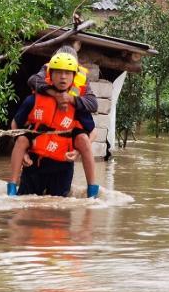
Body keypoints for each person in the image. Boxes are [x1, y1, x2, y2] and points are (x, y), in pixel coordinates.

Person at [7, 49, 100, 198]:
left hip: (61, 164)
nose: (63, 77)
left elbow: (93, 129)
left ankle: (92, 192)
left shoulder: (79, 99)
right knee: (26, 210)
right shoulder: (35, 95)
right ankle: (11, 187)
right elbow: (15, 125)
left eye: (68, 73)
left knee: (58, 216)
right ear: (51, 73)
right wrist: (23, 152)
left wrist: (77, 151)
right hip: (35, 162)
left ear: (74, 75)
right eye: (59, 72)